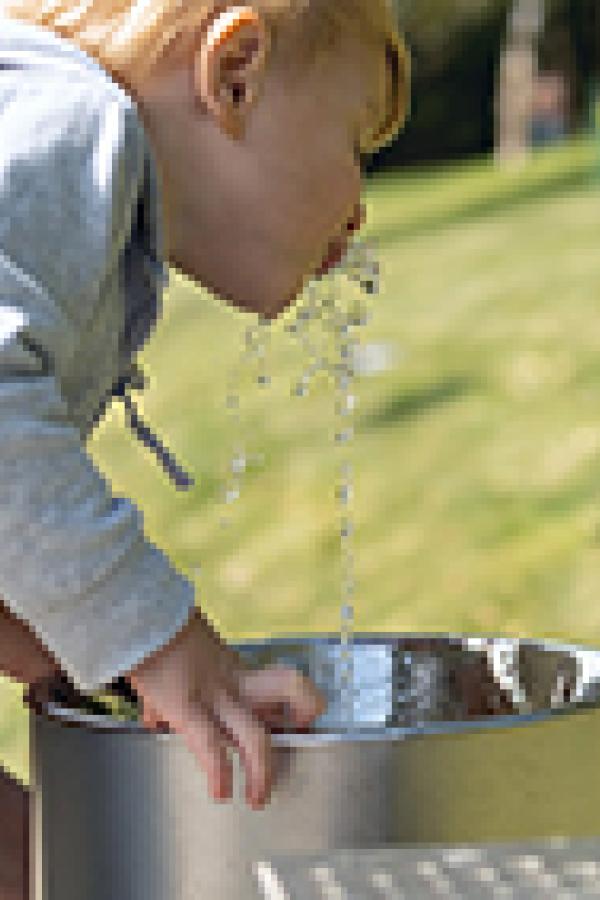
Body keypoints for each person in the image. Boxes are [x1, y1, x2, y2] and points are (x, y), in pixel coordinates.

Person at [0, 1, 410, 896]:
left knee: (39, 866)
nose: (361, 205)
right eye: (355, 144)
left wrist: (47, 634)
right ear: (235, 74)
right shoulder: (74, 124)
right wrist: (155, 634)